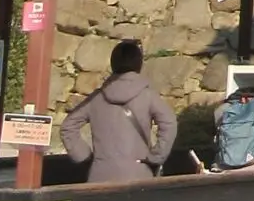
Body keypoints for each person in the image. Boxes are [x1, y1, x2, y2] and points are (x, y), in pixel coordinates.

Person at [59, 40, 178, 185]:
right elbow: (169, 124)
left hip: (100, 175)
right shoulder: (148, 96)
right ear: (139, 64)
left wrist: (84, 157)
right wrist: (155, 157)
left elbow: (68, 126)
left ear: (113, 63)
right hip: (138, 174)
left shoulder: (97, 99)